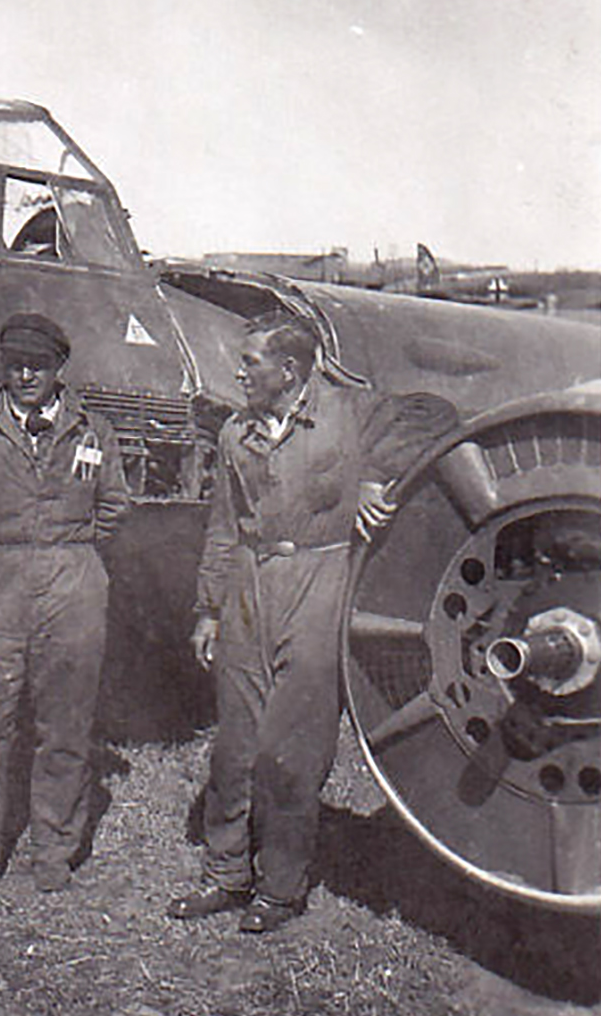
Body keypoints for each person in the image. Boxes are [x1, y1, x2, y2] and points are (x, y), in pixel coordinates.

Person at [168, 316, 457, 935]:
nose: (240, 371)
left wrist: (375, 476)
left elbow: (434, 413)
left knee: (292, 749)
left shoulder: (347, 413)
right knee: (235, 742)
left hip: (320, 584)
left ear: (290, 372)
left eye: (250, 361)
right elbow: (223, 526)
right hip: (249, 582)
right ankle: (225, 875)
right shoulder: (233, 433)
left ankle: (281, 885)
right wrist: (209, 609)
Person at [0, 312, 129, 903]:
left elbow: (115, 505)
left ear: (60, 368)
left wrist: (67, 548)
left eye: (37, 365)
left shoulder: (94, 432)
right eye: (14, 365)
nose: (25, 375)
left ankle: (53, 850)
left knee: (65, 723)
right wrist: (6, 552)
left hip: (74, 582)